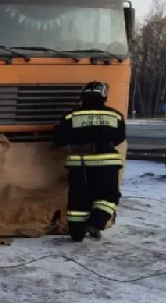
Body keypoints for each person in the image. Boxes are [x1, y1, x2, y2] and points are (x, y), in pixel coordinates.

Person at [52, 81, 126, 242]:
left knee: (78, 198)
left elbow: (58, 139)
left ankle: (77, 233)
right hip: (107, 163)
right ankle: (95, 223)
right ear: (103, 96)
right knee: (108, 196)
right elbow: (119, 138)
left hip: (79, 164)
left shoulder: (70, 116)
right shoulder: (115, 115)